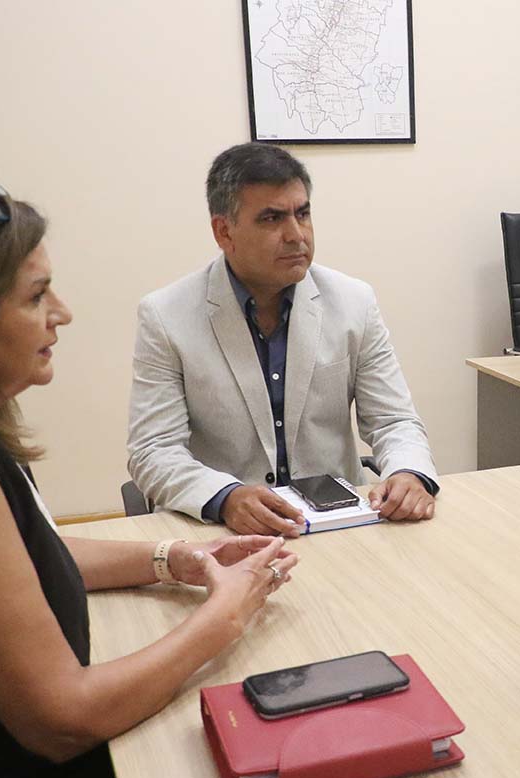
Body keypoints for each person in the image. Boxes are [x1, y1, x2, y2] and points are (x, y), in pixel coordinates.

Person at [0, 169, 298, 778]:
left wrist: (175, 558)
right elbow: (63, 720)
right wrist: (225, 615)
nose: (62, 314)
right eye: (36, 296)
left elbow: (6, 561)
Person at [127, 142, 438, 535]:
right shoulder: (166, 316)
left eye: (302, 214)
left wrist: (408, 473)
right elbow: (153, 450)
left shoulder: (353, 301)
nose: (296, 235)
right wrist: (226, 498)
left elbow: (394, 421)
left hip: (339, 524)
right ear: (224, 231)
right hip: (228, 532)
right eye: (272, 218)